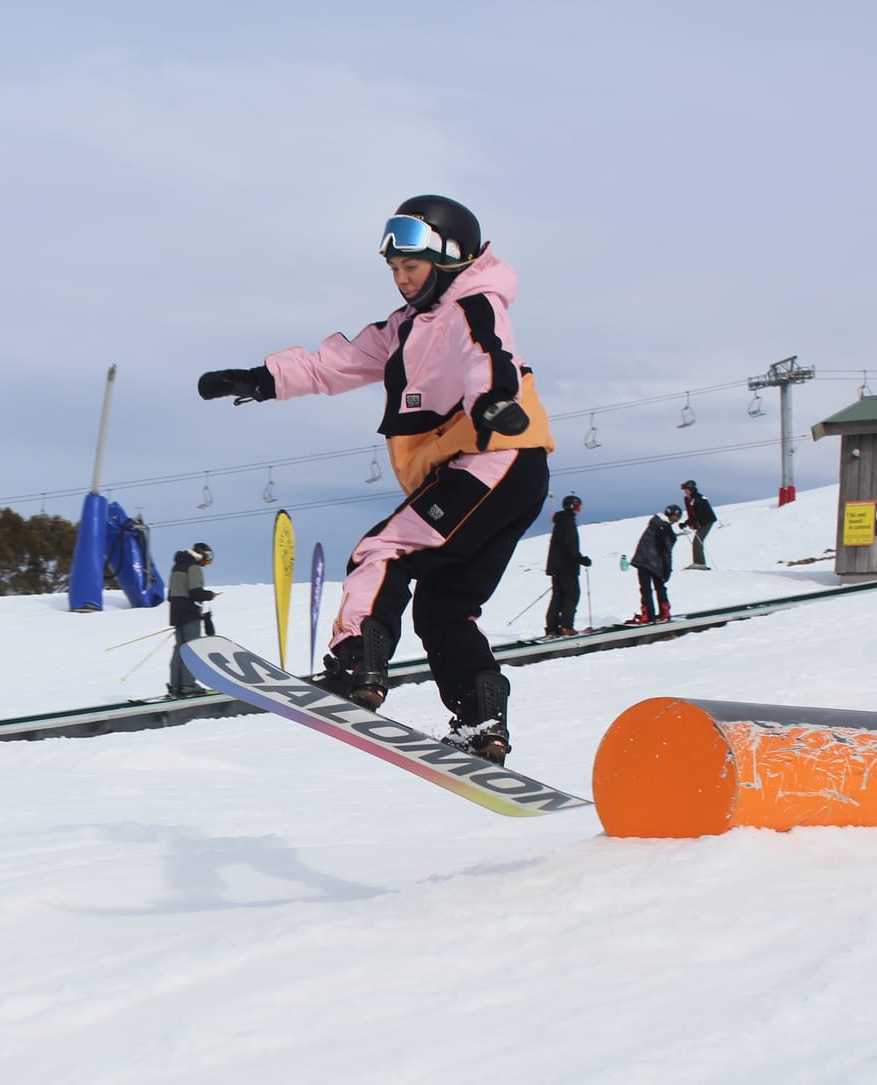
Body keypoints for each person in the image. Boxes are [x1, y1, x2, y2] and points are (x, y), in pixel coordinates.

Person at [197, 194, 553, 764]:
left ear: (451, 258)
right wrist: (260, 380)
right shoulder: (405, 328)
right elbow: (333, 364)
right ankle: (480, 722)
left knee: (383, 551)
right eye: (394, 269)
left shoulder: (472, 304)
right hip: (504, 471)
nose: (402, 279)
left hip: (492, 456)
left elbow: (489, 355)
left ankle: (356, 665)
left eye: (412, 266)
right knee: (444, 607)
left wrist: (493, 402)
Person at [165, 542, 216, 697]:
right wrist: (210, 595)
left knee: (179, 649)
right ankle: (188, 685)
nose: (207, 561)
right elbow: (195, 593)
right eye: (207, 557)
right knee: (192, 650)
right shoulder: (193, 567)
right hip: (190, 614)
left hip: (176, 613)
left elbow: (170, 595)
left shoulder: (177, 566)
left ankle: (176, 686)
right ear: (201, 554)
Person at [544, 494, 592, 637]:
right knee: (572, 595)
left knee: (557, 597)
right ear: (570, 506)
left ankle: (552, 628)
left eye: (579, 507)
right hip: (567, 568)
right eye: (577, 506)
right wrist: (581, 559)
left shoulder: (560, 522)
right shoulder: (568, 523)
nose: (578, 510)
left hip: (557, 568)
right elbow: (569, 546)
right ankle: (566, 626)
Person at [627, 505, 680, 624]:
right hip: (656, 563)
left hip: (642, 559)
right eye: (675, 518)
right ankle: (664, 611)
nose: (675, 521)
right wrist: (667, 570)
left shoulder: (654, 522)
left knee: (645, 588)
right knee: (659, 587)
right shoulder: (666, 529)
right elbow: (666, 552)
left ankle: (648, 614)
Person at [677, 479, 717, 569]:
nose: (685, 492)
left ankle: (700, 563)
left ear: (691, 489)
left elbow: (698, 514)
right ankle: (699, 562)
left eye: (686, 490)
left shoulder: (697, 499)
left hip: (707, 521)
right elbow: (694, 515)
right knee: (697, 541)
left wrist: (686, 523)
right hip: (704, 521)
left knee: (697, 541)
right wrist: (686, 523)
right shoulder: (694, 498)